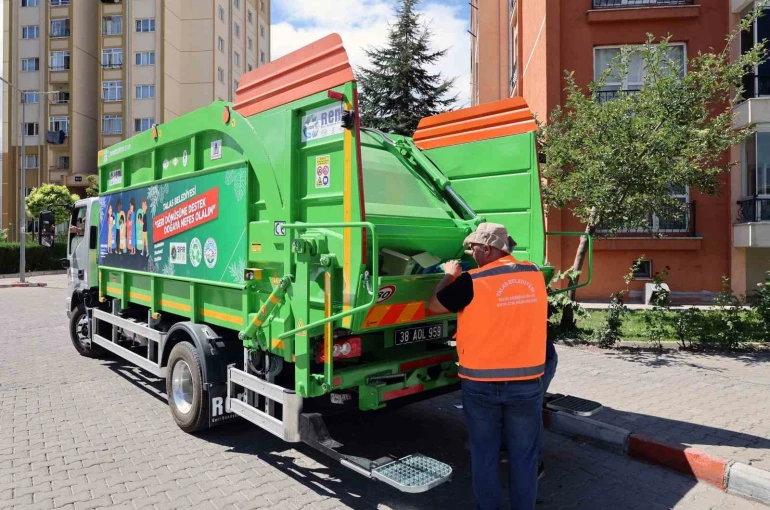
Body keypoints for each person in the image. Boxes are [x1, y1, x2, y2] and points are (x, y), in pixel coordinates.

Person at [428, 222, 547, 510]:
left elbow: (433, 305)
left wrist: (448, 275)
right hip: (527, 384)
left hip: (480, 386)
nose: (471, 253)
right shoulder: (534, 274)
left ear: (487, 247)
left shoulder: (472, 281)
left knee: (485, 457)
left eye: (473, 248)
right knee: (524, 458)